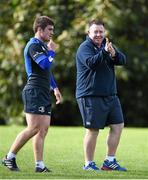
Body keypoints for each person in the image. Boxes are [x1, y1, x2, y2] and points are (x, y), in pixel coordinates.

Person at [2, 15, 62, 173]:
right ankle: (9, 157)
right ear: (39, 29)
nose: (52, 33)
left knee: (43, 129)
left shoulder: (43, 46)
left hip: (43, 91)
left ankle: (39, 165)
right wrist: (52, 52)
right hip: (34, 90)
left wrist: (55, 88)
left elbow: (47, 71)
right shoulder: (33, 45)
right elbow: (43, 64)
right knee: (34, 127)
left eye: (53, 30)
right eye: (49, 30)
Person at [76, 20, 127, 172]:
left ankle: (109, 161)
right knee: (93, 129)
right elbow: (92, 63)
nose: (98, 34)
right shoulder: (84, 48)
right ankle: (88, 164)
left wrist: (114, 53)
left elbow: (122, 60)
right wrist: (105, 52)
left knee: (118, 126)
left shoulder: (107, 44)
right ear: (89, 33)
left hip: (110, 95)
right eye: (95, 32)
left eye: (101, 31)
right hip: (90, 95)